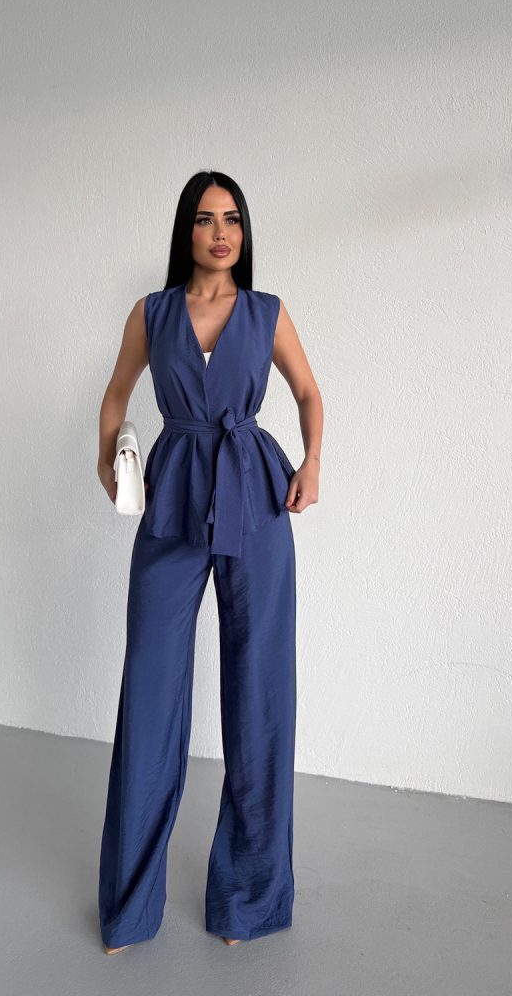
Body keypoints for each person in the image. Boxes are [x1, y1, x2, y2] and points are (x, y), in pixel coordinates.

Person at [95, 169, 323, 952]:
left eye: (231, 219)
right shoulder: (152, 312)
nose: (220, 232)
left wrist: (312, 461)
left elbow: (309, 393)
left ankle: (248, 902)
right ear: (185, 231)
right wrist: (106, 456)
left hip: (256, 498)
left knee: (260, 695)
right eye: (204, 218)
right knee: (150, 692)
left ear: (244, 232)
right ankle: (130, 908)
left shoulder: (267, 312)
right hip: (173, 498)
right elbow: (117, 392)